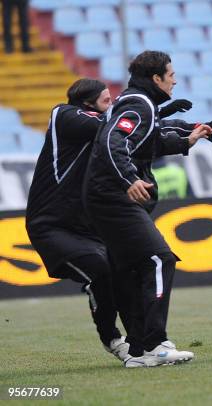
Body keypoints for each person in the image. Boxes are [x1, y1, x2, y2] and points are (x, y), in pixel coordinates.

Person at [83, 50, 212, 368]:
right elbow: (114, 141)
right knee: (158, 259)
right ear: (157, 78)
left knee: (129, 272)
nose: (175, 79)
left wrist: (187, 139)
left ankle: (138, 351)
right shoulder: (138, 103)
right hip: (114, 197)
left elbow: (147, 142)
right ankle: (153, 343)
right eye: (171, 74)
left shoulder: (135, 101)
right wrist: (128, 179)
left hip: (103, 197)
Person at [25, 79, 129, 362]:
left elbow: (129, 132)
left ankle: (147, 342)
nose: (112, 103)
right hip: (50, 225)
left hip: (85, 226)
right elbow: (110, 125)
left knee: (127, 269)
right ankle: (112, 339)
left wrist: (186, 131)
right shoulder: (64, 115)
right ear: (87, 103)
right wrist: (137, 108)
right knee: (100, 270)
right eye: (107, 100)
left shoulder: (100, 128)